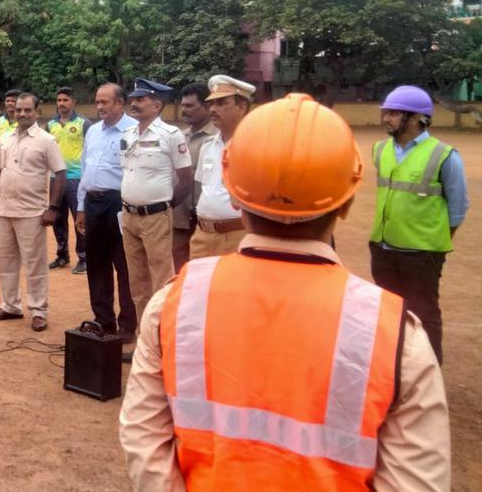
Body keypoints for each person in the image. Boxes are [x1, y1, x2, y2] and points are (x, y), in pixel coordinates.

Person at [120, 93, 450, 490]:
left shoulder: (174, 304)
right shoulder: (397, 335)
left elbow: (144, 444)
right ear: (345, 203)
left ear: (237, 198)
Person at [370, 85, 469, 365]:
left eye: (392, 113)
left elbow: (458, 207)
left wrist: (435, 239)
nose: (385, 118)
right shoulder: (380, 150)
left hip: (422, 254)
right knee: (388, 313)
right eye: (385, 112)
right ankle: (392, 370)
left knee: (424, 315)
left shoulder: (444, 155)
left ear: (416, 118)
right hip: (382, 247)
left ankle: (429, 371)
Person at [120, 78, 192, 349]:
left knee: (162, 281)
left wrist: (164, 207)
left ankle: (163, 342)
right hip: (129, 217)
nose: (134, 103)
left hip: (156, 217)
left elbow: (185, 178)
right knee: (137, 284)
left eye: (141, 99)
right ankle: (144, 341)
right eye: (134, 99)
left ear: (157, 104)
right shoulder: (128, 135)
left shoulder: (170, 135)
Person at [0, 92, 65, 332]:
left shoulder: (46, 140)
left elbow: (60, 174)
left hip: (33, 213)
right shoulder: (5, 138)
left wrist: (52, 208)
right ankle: (10, 305)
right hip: (5, 210)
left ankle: (39, 311)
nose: (21, 114)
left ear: (37, 112)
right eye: (18, 110)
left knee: (35, 264)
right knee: (7, 262)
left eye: (27, 110)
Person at [74, 83, 138, 339]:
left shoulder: (134, 130)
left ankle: (128, 325)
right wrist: (81, 207)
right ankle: (104, 320)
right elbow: (84, 169)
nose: (99, 107)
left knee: (124, 265)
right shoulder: (93, 132)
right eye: (97, 102)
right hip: (93, 203)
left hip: (120, 204)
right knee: (97, 263)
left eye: (105, 102)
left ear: (120, 103)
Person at [190, 75, 256, 259]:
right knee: (199, 287)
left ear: (241, 107)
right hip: (202, 235)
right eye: (212, 103)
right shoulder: (208, 146)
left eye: (221, 103)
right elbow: (206, 189)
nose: (212, 109)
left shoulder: (255, 148)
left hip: (238, 235)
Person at [171, 83, 217, 269]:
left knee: (205, 269)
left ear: (206, 107)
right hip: (180, 215)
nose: (184, 109)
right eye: (183, 105)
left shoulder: (219, 137)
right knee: (179, 268)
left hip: (207, 219)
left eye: (190, 106)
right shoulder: (179, 137)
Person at [46, 86, 92, 272]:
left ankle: (84, 257)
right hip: (55, 178)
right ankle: (62, 255)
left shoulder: (84, 124)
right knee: (57, 218)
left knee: (79, 218)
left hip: (76, 178)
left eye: (65, 100)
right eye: (59, 100)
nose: (62, 104)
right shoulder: (50, 125)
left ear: (73, 102)